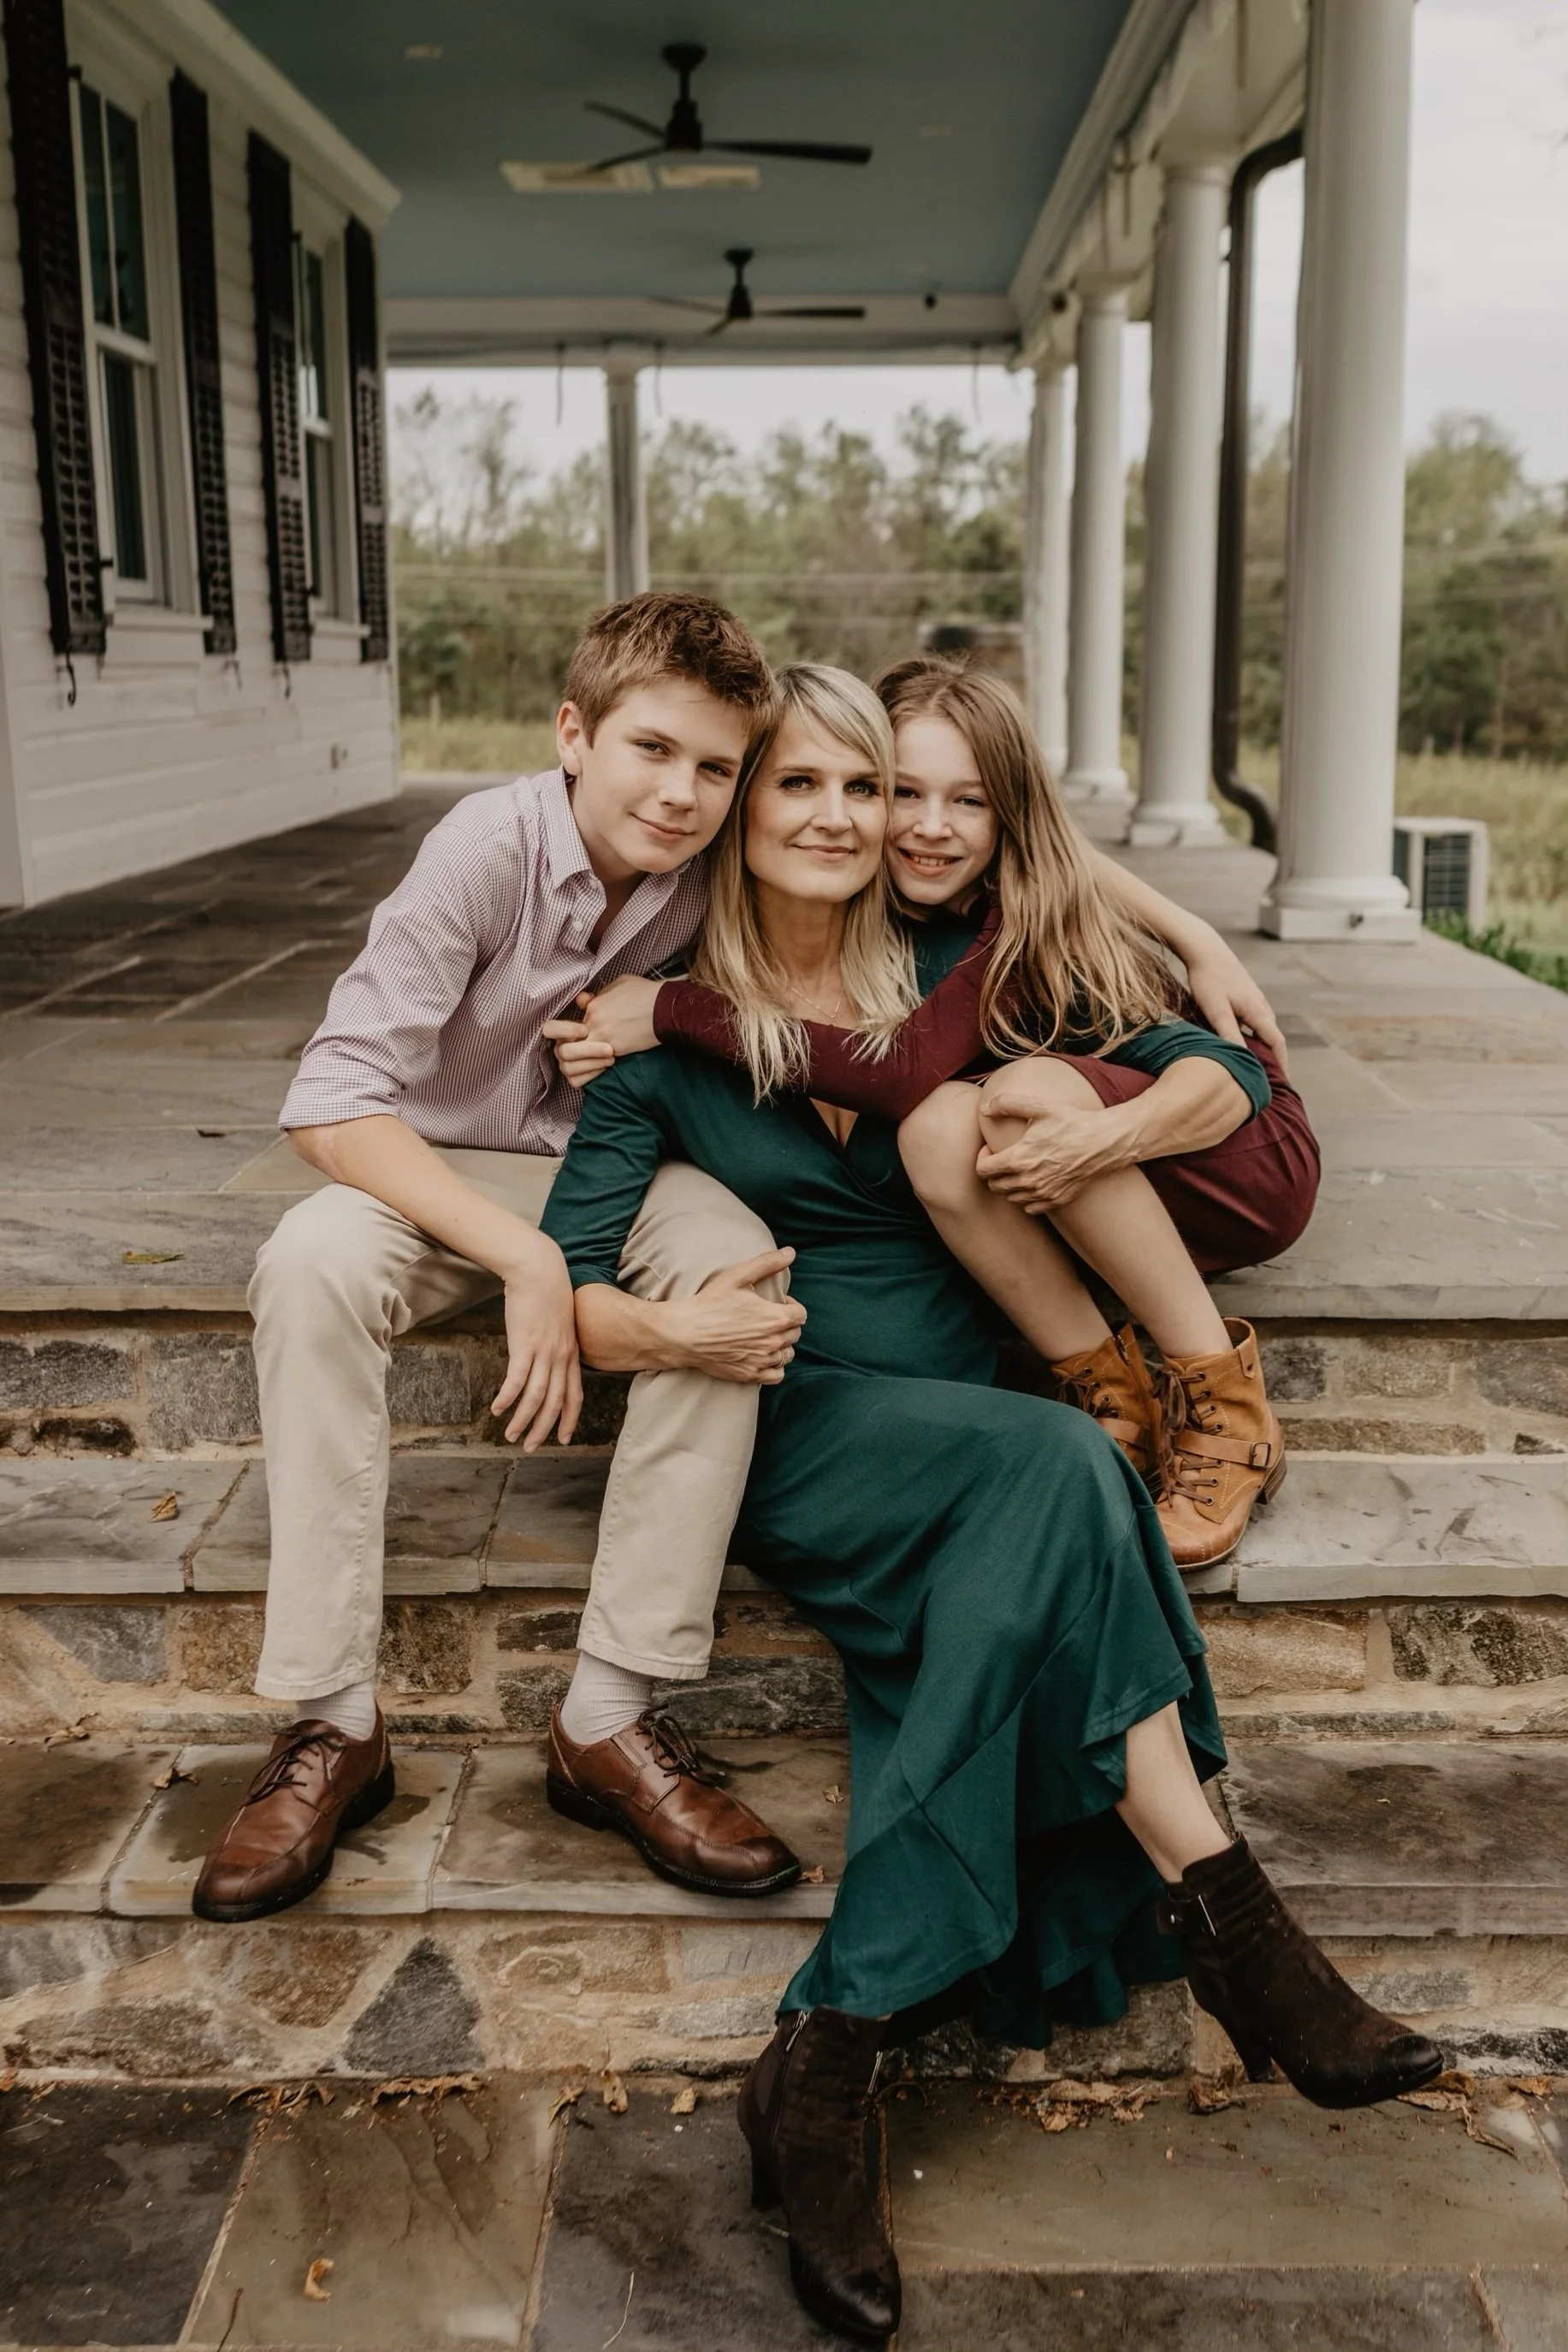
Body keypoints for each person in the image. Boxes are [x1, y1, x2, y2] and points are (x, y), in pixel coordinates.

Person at [539, 663, 1441, 2346]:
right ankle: (1236, 1924)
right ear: (742, 810)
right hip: (802, 1420)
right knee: (1069, 1464)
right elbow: (567, 1290)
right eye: (800, 784)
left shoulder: (959, 982)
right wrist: (674, 1332)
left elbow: (1195, 1064)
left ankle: (823, 2061)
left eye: (862, 788)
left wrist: (1183, 995)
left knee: (1053, 1478)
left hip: (973, 1427)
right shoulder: (656, 1037)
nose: (841, 817)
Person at [192, 592, 809, 1922]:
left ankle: (610, 1714)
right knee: (307, 1263)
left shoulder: (720, 865)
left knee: (737, 1259)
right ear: (574, 734)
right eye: (651, 749)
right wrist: (531, 1265)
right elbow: (330, 1100)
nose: (682, 793)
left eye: (714, 767)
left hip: (616, 1173)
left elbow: (922, 822)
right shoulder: (486, 847)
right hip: (437, 1170)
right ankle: (332, 1719)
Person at [567, 657, 1317, 1572]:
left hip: (1227, 1154)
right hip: (1082, 1179)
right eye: (900, 793)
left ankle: (1227, 1409)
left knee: (1019, 1101)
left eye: (967, 802)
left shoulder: (1017, 926)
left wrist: (1098, 1139)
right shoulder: (894, 919)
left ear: (1006, 819)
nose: (928, 826)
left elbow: (1224, 1073)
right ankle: (1114, 1396)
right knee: (944, 1125)